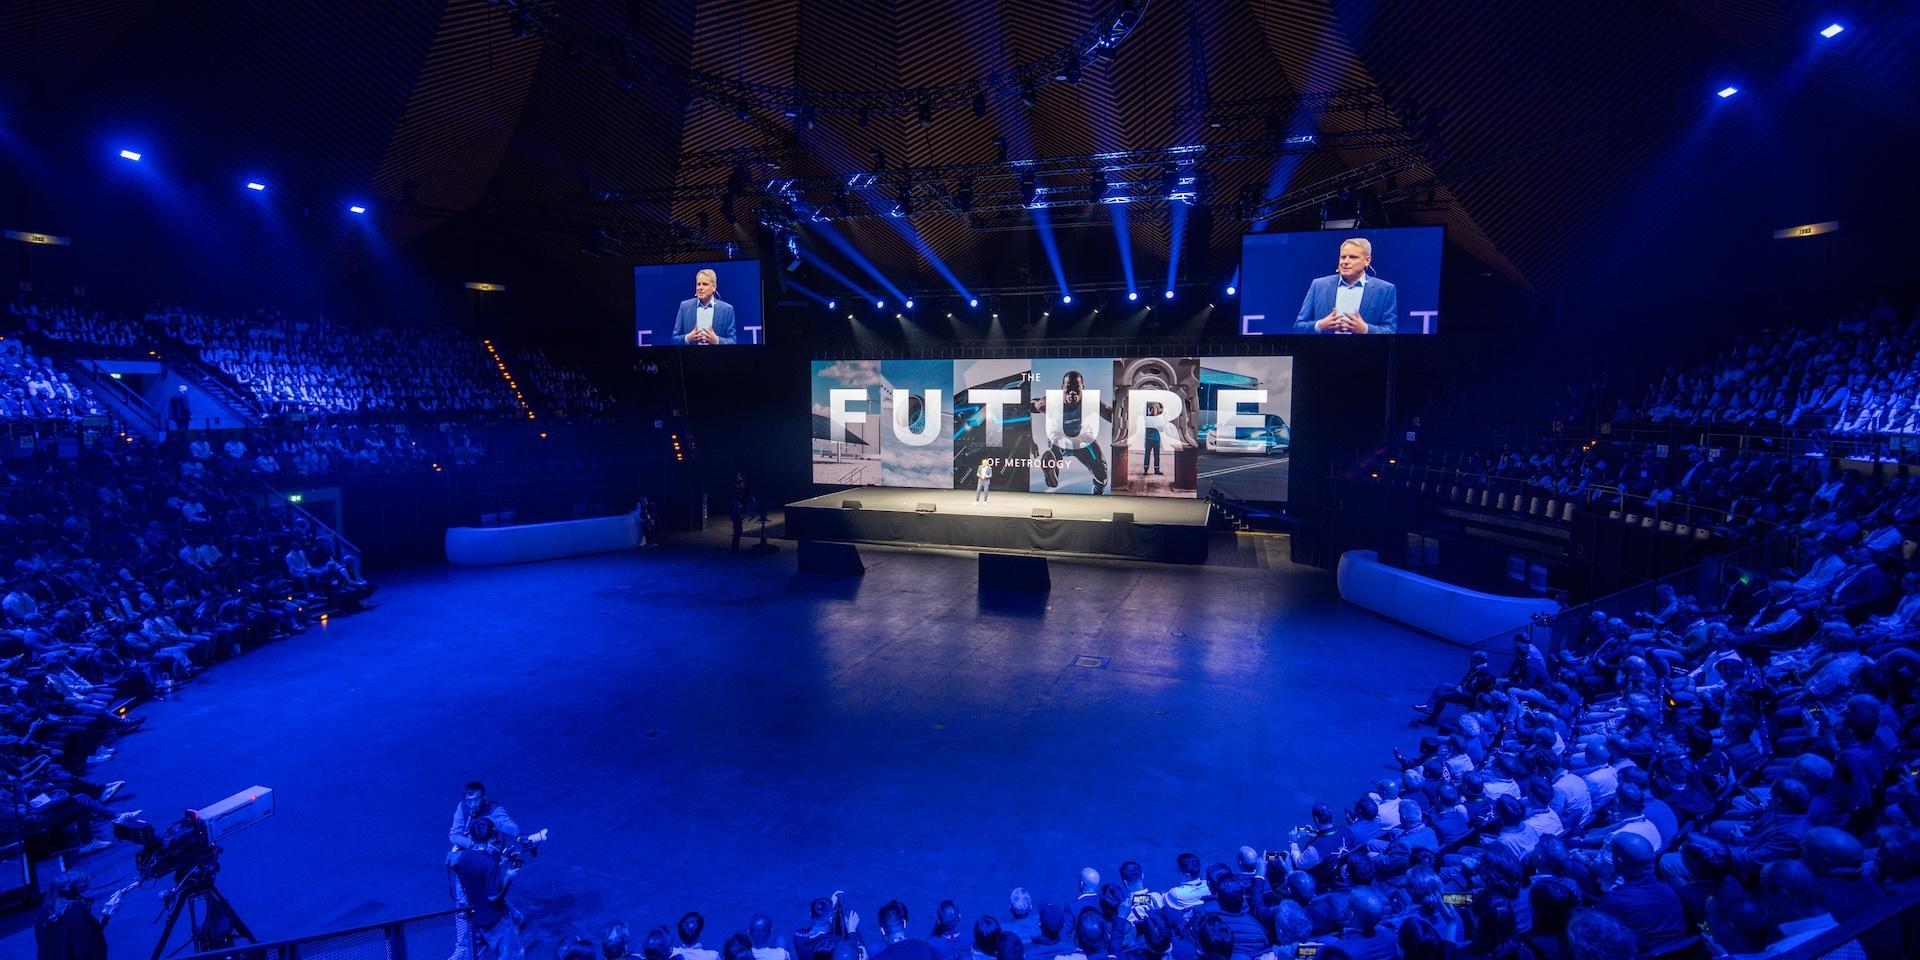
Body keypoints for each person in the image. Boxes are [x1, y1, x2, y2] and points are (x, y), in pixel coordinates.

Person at [1291, 238, 1398, 334]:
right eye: (1343, 257)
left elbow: (1390, 331)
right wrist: (1319, 325)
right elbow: (1298, 327)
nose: (1345, 262)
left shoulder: (1385, 290)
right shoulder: (1318, 285)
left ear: (1367, 260)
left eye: (1353, 257)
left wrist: (1365, 329)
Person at [1029, 372, 1111, 494]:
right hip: (1060, 441)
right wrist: (1031, 441)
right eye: (1068, 388)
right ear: (1062, 388)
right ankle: (1053, 470)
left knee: (1102, 477)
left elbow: (1111, 414)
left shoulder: (1090, 401)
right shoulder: (1049, 402)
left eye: (1076, 388)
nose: (1072, 392)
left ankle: (1097, 491)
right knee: (1056, 442)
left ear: (1083, 388)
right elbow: (1026, 408)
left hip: (1083, 442)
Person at [35, 870, 118, 960]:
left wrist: (101, 922)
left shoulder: (42, 917)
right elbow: (88, 950)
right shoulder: (78, 916)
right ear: (75, 892)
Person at [671, 269, 738, 345]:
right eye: (698, 284)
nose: (700, 288)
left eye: (705, 284)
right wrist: (687, 338)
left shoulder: (727, 309)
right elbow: (674, 339)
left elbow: (732, 341)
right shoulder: (684, 307)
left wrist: (717, 341)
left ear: (714, 287)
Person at [1142, 402, 1163, 476]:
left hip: (1156, 440)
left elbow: (1162, 429)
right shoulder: (1147, 418)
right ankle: (1146, 469)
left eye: (1155, 409)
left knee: (1156, 455)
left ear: (1157, 410)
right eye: (1152, 409)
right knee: (1147, 455)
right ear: (1150, 410)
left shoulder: (1159, 419)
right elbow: (1144, 411)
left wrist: (1158, 426)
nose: (1154, 410)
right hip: (1149, 439)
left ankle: (1156, 470)